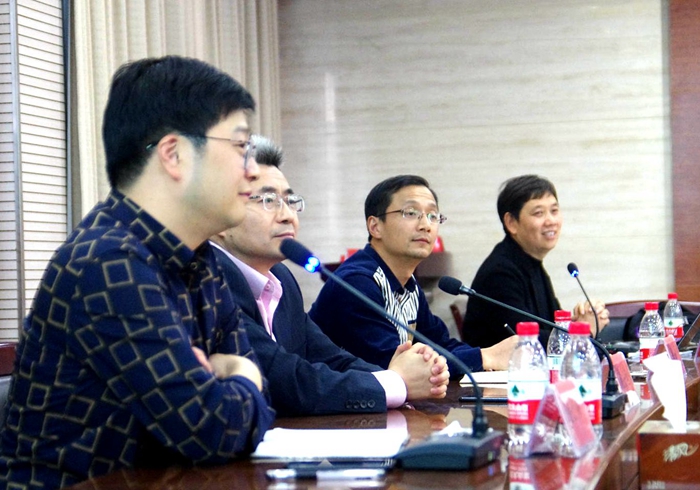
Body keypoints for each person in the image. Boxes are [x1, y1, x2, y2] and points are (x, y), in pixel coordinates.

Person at [0, 56, 276, 488]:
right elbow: (212, 428)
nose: (253, 169)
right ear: (174, 155)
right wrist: (241, 374)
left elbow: (257, 409)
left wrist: (237, 382)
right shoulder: (106, 261)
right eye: (241, 147)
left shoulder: (202, 259)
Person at [210, 136, 449, 416]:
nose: (288, 216)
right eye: (268, 200)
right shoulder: (210, 280)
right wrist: (397, 383)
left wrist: (396, 379)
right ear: (221, 216)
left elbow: (331, 358)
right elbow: (286, 379)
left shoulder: (281, 279)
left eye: (290, 201)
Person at [309, 175, 518, 376]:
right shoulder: (357, 283)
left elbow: (440, 344)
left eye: (432, 216)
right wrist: (485, 357)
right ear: (375, 226)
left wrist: (491, 355)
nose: (425, 225)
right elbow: (395, 367)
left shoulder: (408, 284)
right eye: (410, 213)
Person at [461, 174, 609, 348]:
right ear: (511, 222)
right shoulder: (500, 274)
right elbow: (528, 341)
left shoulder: (532, 264)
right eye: (539, 213)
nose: (551, 221)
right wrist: (583, 331)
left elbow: (550, 328)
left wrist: (578, 321)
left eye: (554, 211)